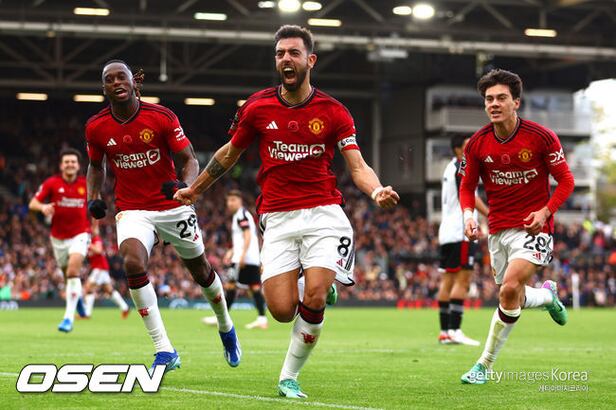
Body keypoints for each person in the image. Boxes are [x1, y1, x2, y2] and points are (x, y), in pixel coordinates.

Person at [174, 25, 399, 399]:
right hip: (277, 217)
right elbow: (230, 153)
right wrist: (195, 189)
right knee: (280, 310)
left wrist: (376, 191)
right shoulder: (257, 107)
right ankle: (319, 286)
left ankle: (289, 376)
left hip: (324, 214)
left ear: (310, 60)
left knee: (313, 298)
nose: (285, 59)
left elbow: (357, 165)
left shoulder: (334, 112)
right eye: (280, 54)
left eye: (293, 53)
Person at [84, 60, 240, 374]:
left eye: (121, 77)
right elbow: (95, 166)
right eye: (109, 79)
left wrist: (186, 187)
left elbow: (189, 159)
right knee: (132, 263)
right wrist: (94, 197)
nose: (116, 82)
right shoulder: (96, 127)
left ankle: (226, 325)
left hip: (172, 205)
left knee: (201, 271)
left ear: (133, 82)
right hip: (132, 209)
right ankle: (164, 349)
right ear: (104, 88)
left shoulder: (161, 117)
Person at [458, 69, 574, 384]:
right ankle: (547, 297)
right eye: (489, 99)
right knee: (511, 297)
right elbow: (467, 186)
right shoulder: (477, 143)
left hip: (534, 228)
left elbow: (566, 181)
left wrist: (545, 212)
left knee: (509, 287)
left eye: (501, 98)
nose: (494, 104)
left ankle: (483, 366)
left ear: (516, 102)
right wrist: (469, 216)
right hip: (498, 229)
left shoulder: (541, 137)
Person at [29, 148, 90, 333]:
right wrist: (43, 207)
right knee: (68, 276)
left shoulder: (86, 183)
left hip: (80, 234)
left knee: (72, 271)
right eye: (67, 162)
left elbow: (95, 205)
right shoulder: (52, 183)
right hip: (58, 238)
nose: (70, 164)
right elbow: (33, 203)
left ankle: (68, 319)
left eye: (73, 162)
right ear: (61, 165)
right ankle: (78, 301)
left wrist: (95, 229)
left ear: (78, 165)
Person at [437, 135, 488, 346]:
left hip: (447, 232)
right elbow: (468, 195)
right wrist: (490, 214)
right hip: (461, 232)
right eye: (468, 146)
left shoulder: (449, 167)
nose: (472, 149)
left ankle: (445, 332)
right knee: (463, 281)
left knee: (447, 282)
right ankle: (455, 330)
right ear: (458, 149)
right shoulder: (461, 166)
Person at [203, 190, 268, 329]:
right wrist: (231, 251)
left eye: (233, 200)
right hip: (249, 257)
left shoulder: (241, 215)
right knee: (252, 287)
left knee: (231, 286)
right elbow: (243, 238)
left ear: (240, 201)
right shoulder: (241, 215)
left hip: (243, 259)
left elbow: (247, 235)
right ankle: (261, 319)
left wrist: (242, 255)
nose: (230, 203)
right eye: (228, 200)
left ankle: (222, 318)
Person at [83, 221, 130, 318]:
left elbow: (99, 250)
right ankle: (125, 308)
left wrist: (88, 244)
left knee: (88, 289)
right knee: (109, 290)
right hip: (101, 268)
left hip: (100, 268)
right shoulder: (87, 244)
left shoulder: (95, 240)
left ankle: (87, 313)